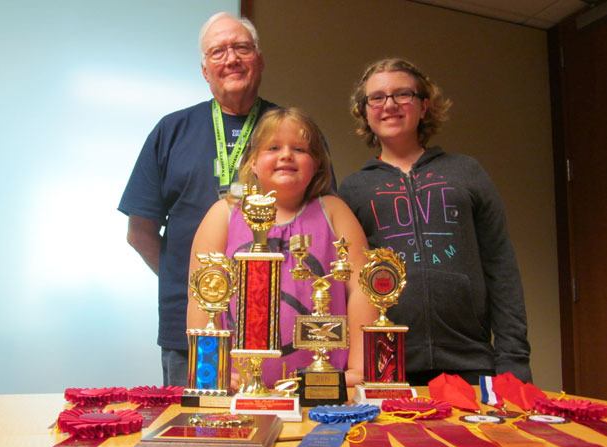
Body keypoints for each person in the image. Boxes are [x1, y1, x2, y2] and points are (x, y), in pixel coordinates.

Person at [338, 58, 532, 385]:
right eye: (377, 97)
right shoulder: (352, 190)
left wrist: (513, 360)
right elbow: (349, 284)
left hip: (472, 361)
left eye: (403, 94)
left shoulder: (467, 172)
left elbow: (501, 264)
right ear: (365, 111)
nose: (390, 105)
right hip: (388, 365)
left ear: (424, 106)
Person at [118, 12, 275, 386]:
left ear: (260, 60)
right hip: (189, 326)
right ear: (205, 71)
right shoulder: (171, 130)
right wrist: (198, 287)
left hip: (276, 324)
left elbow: (320, 221)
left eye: (241, 47)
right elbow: (139, 232)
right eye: (218, 51)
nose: (231, 58)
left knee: (281, 434)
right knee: (191, 434)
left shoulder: (291, 130)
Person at [187, 108, 377, 387]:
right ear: (252, 162)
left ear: (317, 164)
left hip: (323, 384)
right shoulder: (223, 214)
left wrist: (359, 370)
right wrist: (214, 371)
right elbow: (202, 294)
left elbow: (362, 287)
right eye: (273, 147)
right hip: (239, 386)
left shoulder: (334, 211)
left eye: (299, 149)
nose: (286, 155)